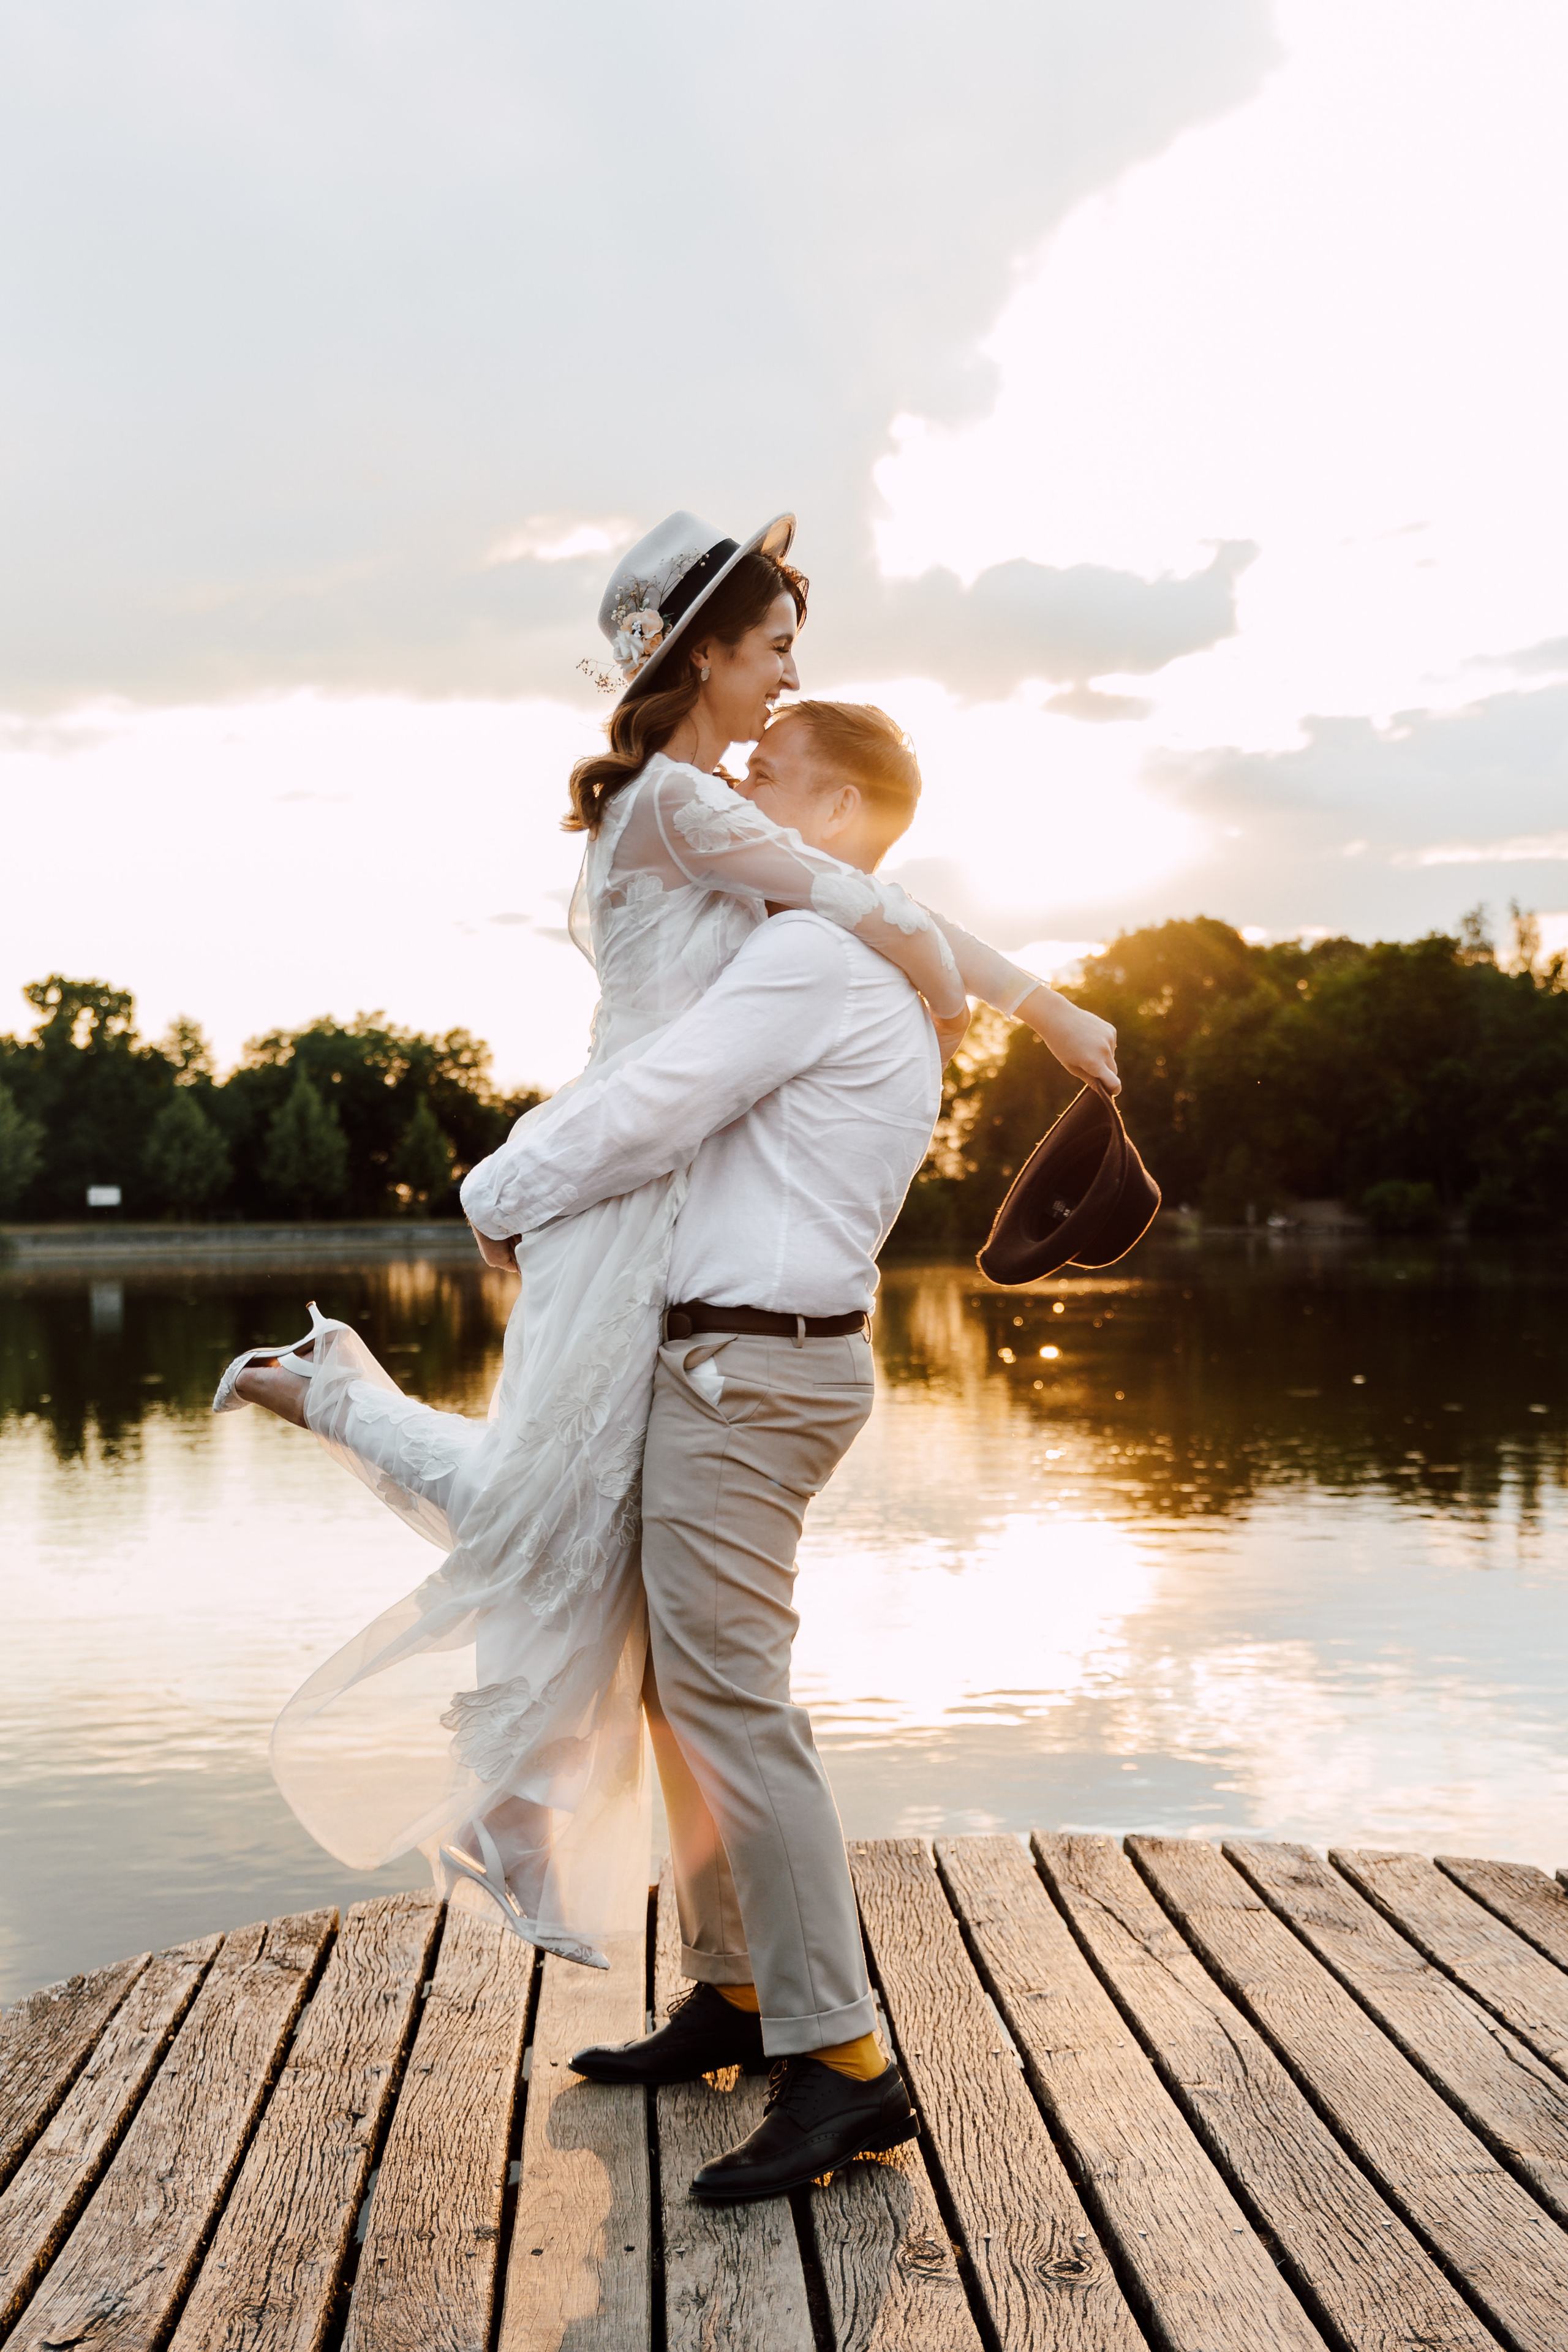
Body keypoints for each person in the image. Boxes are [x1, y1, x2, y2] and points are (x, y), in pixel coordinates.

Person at [216, 509, 1118, 1972]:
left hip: (659, 1194)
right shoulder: (674, 806)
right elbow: (859, 894)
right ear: (700, 652)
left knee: (581, 1515)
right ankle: (504, 1782)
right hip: (619, 1178)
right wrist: (965, 981)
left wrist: (1041, 1006)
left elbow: (869, 893)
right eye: (770, 651)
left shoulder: (707, 808)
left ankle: (521, 1794)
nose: (779, 682)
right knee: (548, 1495)